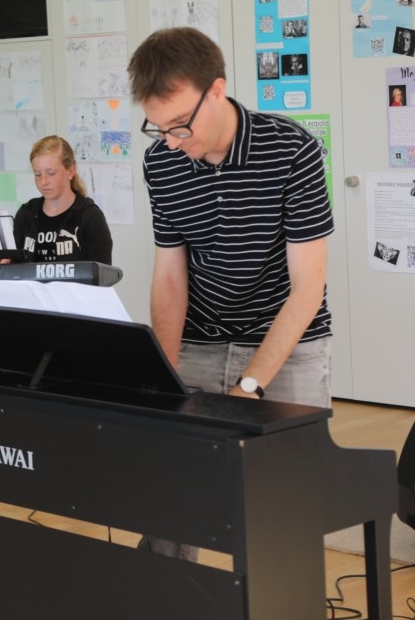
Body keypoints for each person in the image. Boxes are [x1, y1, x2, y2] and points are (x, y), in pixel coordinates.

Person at [130, 28, 333, 559]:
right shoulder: (161, 162)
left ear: (216, 90)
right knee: (173, 498)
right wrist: (164, 376)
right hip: (200, 340)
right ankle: (166, 603)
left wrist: (250, 386)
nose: (172, 140)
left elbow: (307, 288)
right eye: (158, 127)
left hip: (288, 345)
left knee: (285, 506)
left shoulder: (292, 149)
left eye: (180, 124)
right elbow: (169, 277)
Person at [10, 135, 113, 264]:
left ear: (70, 171)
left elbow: (101, 272)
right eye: (38, 174)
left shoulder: (90, 217)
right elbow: (14, 267)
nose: (43, 181)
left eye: (51, 173)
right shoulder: (26, 214)